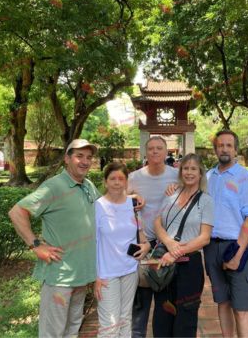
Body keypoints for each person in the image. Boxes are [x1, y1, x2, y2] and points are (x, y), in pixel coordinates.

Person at [8, 139, 100, 338]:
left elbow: (106, 209)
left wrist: (132, 199)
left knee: (73, 328)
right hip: (60, 276)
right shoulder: (54, 186)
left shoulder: (88, 185)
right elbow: (17, 212)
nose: (85, 161)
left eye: (89, 157)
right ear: (67, 159)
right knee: (53, 333)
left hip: (81, 276)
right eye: (79, 156)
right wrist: (36, 245)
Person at [203, 129, 248, 337]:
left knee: (242, 309)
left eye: (229, 145)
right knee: (223, 303)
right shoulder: (208, 177)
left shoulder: (245, 178)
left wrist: (237, 254)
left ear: (235, 150)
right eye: (220, 145)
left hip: (237, 246)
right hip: (211, 247)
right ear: (215, 149)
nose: (224, 149)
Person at [153, 153, 214, 337]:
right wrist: (169, 242)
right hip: (165, 261)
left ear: (200, 173)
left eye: (193, 169)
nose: (189, 172)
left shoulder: (206, 201)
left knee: (185, 318)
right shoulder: (171, 194)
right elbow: (157, 222)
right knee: (163, 314)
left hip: (189, 263)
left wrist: (176, 252)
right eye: (185, 168)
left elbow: (205, 238)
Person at [128, 136, 178, 338]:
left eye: (159, 148)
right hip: (140, 244)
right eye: (151, 148)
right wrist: (131, 197)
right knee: (139, 305)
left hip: (167, 246)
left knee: (165, 306)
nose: (155, 152)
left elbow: (195, 195)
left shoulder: (177, 175)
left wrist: (180, 189)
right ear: (145, 152)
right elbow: (114, 199)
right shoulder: (133, 177)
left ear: (167, 152)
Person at [94, 162, 151, 337]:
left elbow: (140, 233)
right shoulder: (98, 206)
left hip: (129, 270)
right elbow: (93, 243)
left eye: (121, 178)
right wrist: (95, 276)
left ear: (126, 182)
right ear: (105, 182)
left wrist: (147, 246)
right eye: (112, 178)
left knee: (125, 319)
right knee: (109, 326)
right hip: (106, 275)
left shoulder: (132, 205)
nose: (117, 182)